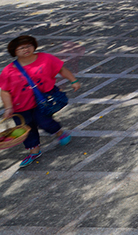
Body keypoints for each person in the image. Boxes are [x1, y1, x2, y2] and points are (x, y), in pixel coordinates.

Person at [1, 35, 81, 168]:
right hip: (20, 106)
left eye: (28, 46)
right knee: (27, 129)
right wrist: (8, 107)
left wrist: (74, 80)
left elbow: (60, 69)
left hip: (43, 101)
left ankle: (58, 132)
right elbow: (4, 90)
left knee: (44, 122)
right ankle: (34, 151)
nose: (26, 49)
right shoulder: (8, 70)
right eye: (21, 48)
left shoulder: (45, 58)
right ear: (14, 51)